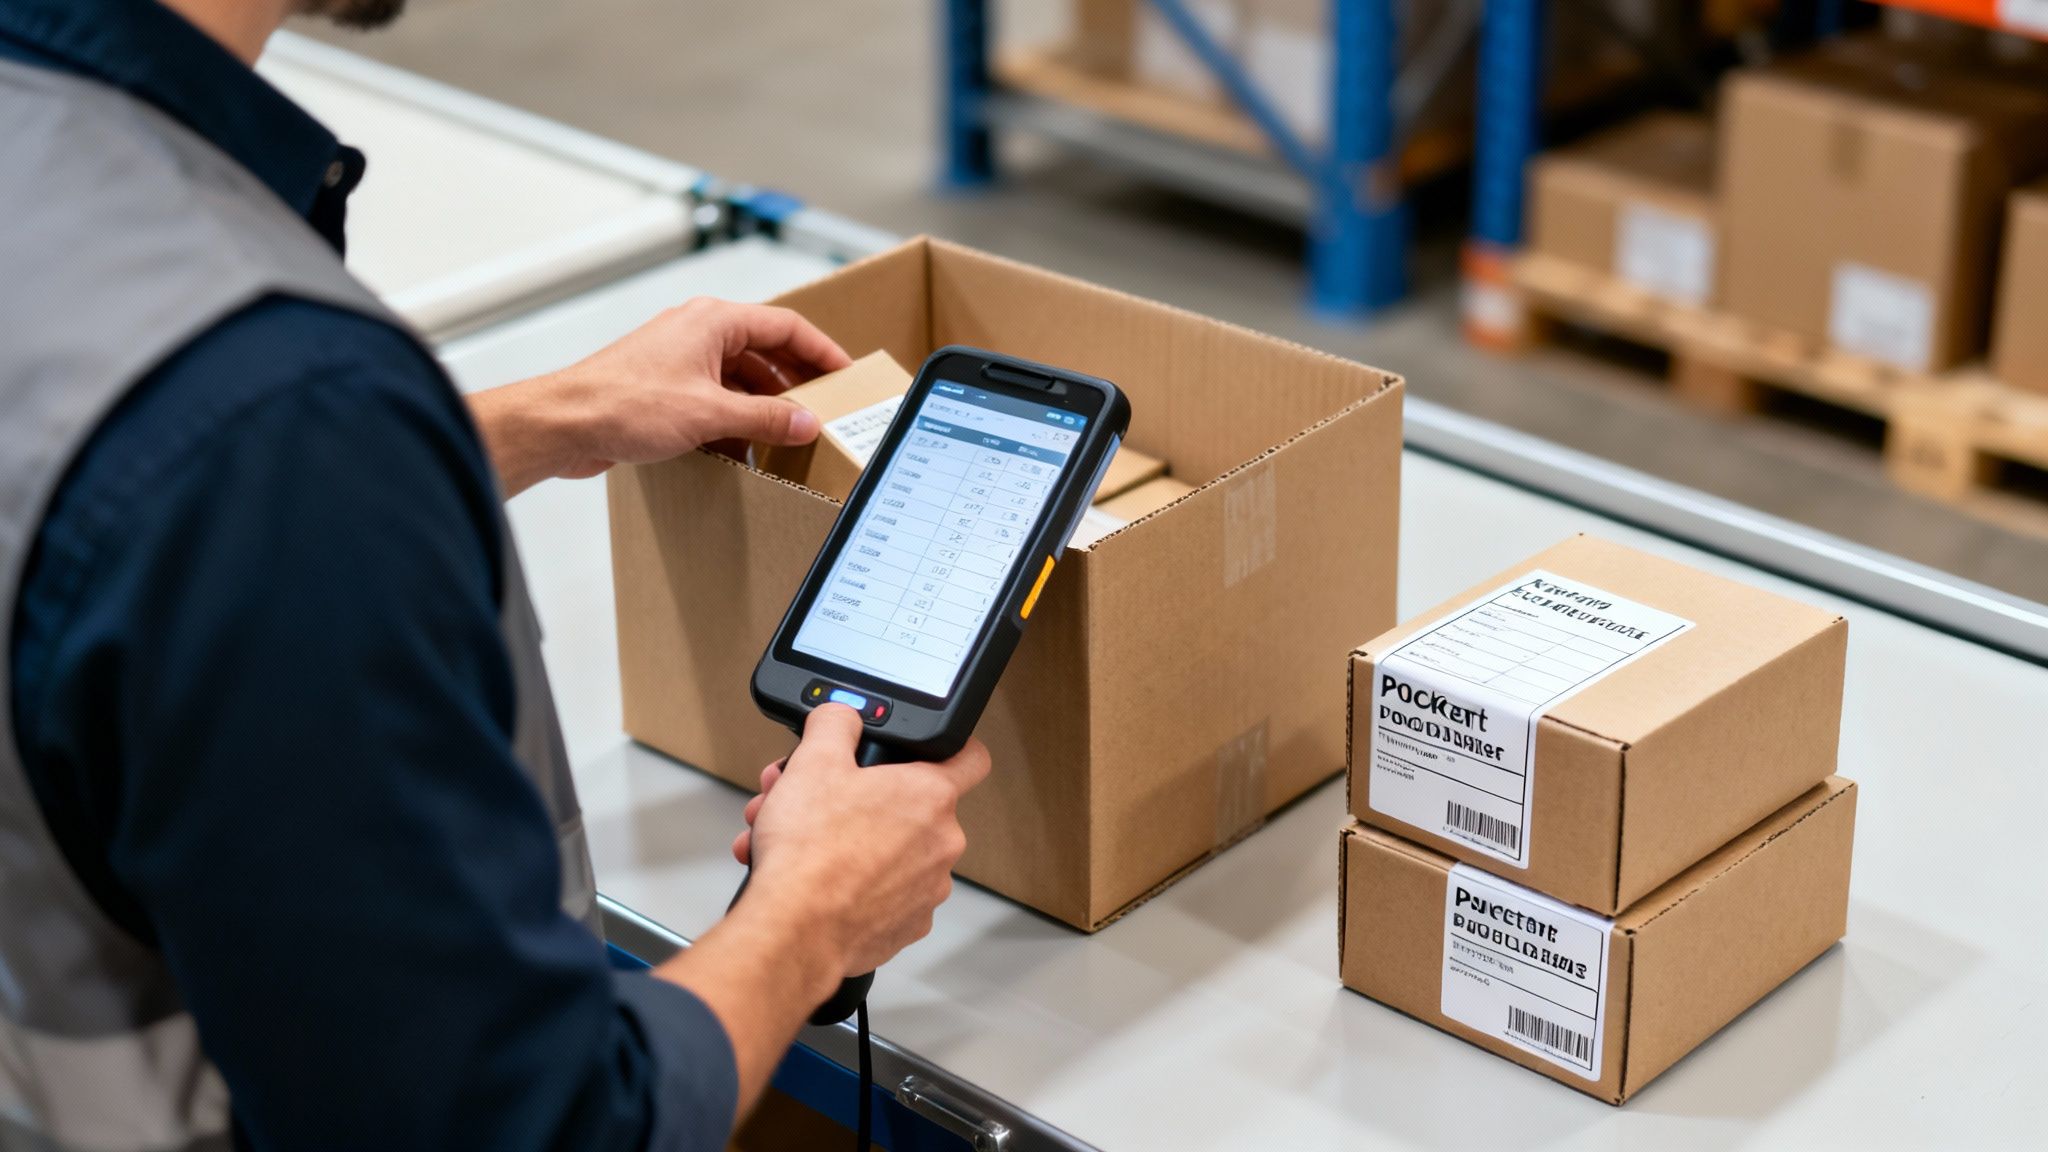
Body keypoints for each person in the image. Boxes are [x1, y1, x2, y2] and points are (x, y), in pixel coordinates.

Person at [0, 0, 990, 1149]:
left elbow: (82, 488)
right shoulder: (276, 431)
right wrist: (816, 913)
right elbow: (525, 1127)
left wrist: (550, 419)